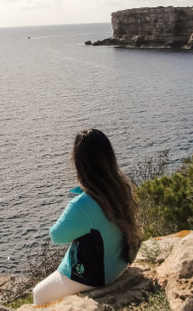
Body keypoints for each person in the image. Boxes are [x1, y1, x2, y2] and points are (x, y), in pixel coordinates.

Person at [32, 129, 141, 306]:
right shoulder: (123, 187)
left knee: (39, 294)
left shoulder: (82, 204)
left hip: (97, 275)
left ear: (79, 163)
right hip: (120, 263)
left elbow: (56, 236)